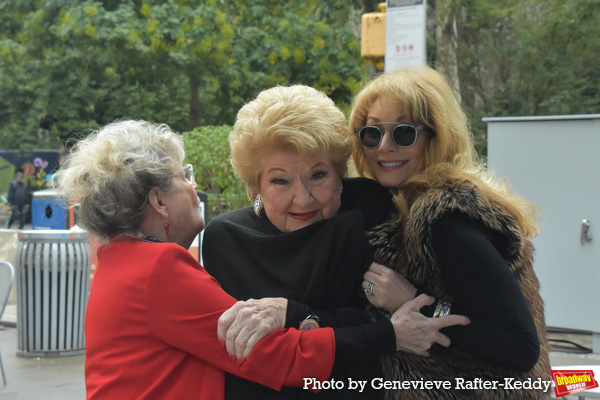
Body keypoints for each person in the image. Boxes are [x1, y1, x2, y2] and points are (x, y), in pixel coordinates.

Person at [55, 119, 467, 400]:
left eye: (318, 175)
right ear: (158, 200)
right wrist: (390, 334)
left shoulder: (118, 259)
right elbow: (270, 355)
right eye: (185, 175)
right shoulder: (158, 268)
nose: (194, 186)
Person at [202, 85, 469, 400]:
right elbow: (263, 352)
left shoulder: (367, 210)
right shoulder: (229, 238)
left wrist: (295, 315)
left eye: (318, 175)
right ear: (255, 184)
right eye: (280, 180)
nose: (303, 198)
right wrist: (377, 334)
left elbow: (394, 318)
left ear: (339, 175)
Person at [349, 65, 551, 399]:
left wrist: (414, 302)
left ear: (435, 136)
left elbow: (521, 346)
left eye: (403, 133)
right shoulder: (398, 205)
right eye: (372, 133)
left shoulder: (445, 218)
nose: (384, 146)